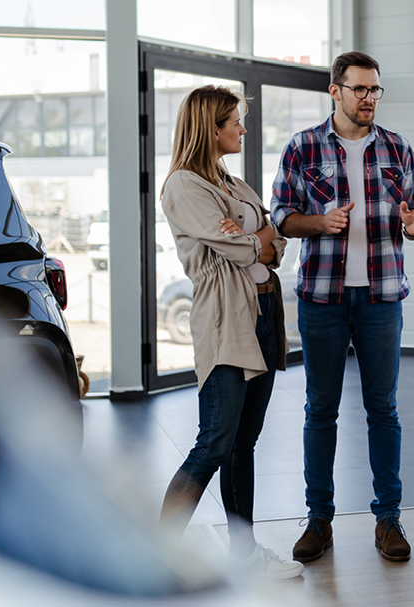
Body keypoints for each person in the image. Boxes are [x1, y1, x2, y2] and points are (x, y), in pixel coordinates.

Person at [270, 51, 414, 563]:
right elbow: (280, 216)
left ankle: (389, 519)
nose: (369, 99)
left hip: (382, 296)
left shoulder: (398, 148)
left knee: (383, 409)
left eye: (375, 90)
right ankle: (319, 519)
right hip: (322, 297)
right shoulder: (303, 147)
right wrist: (318, 224)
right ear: (335, 91)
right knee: (320, 410)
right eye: (359, 89)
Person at [157, 85, 302, 579]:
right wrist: (253, 239)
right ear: (210, 127)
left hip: (263, 315)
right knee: (215, 443)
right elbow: (243, 249)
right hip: (226, 319)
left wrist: (256, 239)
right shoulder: (184, 185)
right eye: (235, 122)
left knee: (244, 442)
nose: (242, 128)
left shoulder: (234, 184)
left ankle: (245, 555)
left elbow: (273, 241)